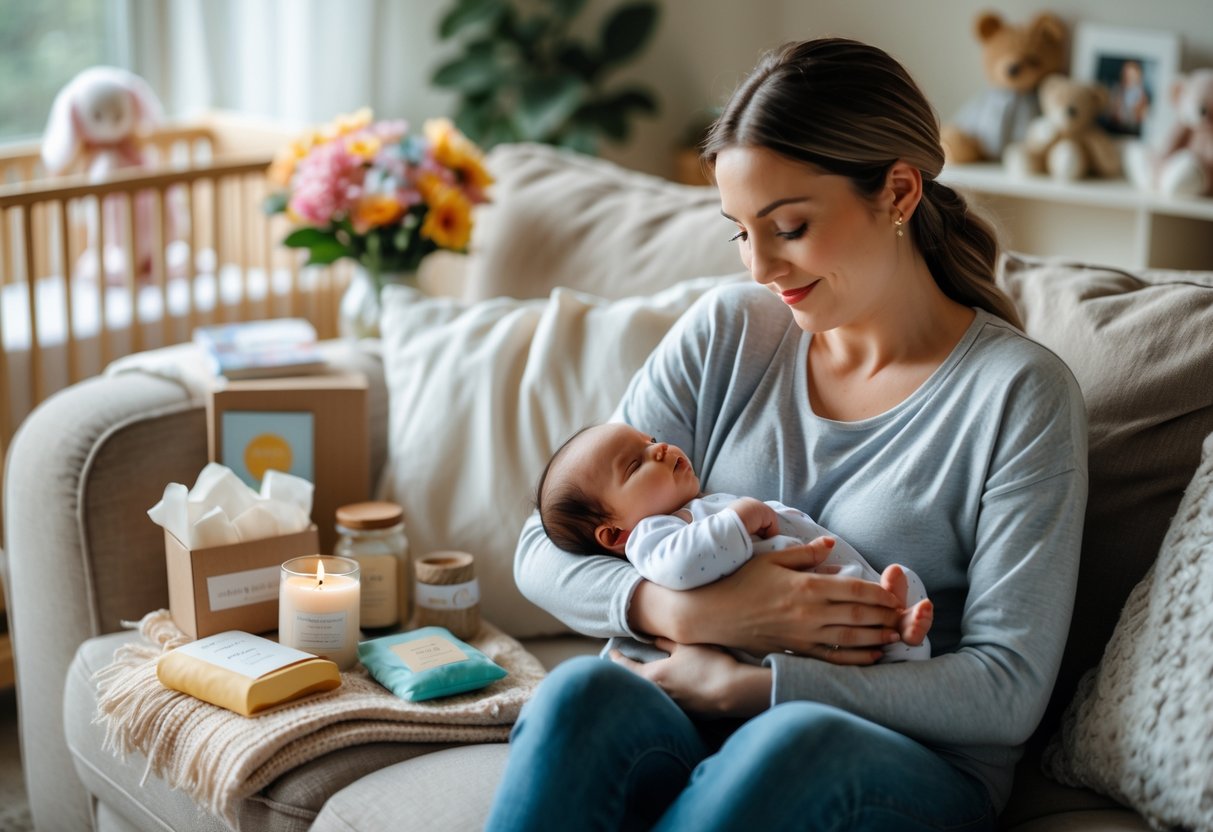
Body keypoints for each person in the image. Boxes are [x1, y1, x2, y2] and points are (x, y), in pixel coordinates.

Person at [487, 37, 1087, 832]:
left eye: (789, 226)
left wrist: (755, 686)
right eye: (739, 230)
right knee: (578, 692)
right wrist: (694, 615)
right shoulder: (729, 334)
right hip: (687, 703)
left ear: (898, 191)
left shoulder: (1018, 396)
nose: (759, 266)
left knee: (789, 743)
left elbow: (1004, 691)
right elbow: (543, 546)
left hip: (894, 758)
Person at [536, 421, 933, 662]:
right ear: (614, 533)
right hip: (800, 625)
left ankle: (900, 626)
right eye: (636, 464)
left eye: (649, 440)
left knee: (894, 587)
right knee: (846, 627)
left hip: (833, 580)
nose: (658, 448)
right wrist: (739, 520)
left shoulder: (700, 505)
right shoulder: (651, 536)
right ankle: (896, 632)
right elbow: (679, 565)